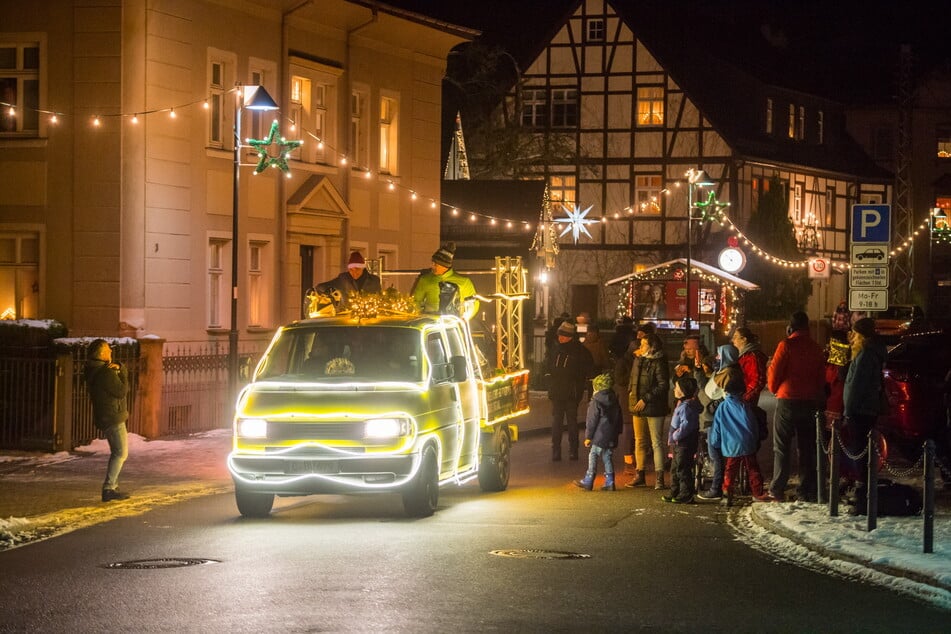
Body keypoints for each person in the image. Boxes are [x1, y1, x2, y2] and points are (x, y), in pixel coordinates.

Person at [766, 311, 826, 502]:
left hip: (788, 400)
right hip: (809, 402)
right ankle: (806, 489)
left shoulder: (786, 345)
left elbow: (774, 374)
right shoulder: (816, 348)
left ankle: (778, 487)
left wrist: (774, 389)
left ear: (790, 328)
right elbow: (821, 377)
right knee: (807, 447)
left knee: (782, 446)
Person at [842, 317, 887, 507]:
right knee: (861, 448)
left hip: (860, 410)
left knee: (859, 449)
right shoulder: (869, 353)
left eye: (855, 333)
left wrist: (848, 410)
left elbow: (857, 386)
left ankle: (863, 492)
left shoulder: (865, 355)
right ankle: (863, 488)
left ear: (861, 335)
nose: (852, 337)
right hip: (866, 408)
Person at [708, 368, 771, 505]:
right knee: (753, 469)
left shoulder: (722, 407)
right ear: (742, 391)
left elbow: (716, 427)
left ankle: (727, 491)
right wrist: (754, 440)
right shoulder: (745, 406)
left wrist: (715, 442)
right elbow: (752, 425)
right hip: (747, 443)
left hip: (731, 445)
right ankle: (757, 492)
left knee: (730, 470)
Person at [84, 339, 130, 502]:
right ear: (102, 353)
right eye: (108, 349)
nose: (110, 351)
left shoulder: (93, 369)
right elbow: (121, 391)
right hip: (113, 416)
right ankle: (109, 488)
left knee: (118, 452)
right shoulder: (105, 372)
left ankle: (113, 486)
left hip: (105, 415)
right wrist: (122, 371)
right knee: (120, 453)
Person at [625, 332, 670, 489]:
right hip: (637, 405)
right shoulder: (639, 360)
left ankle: (659, 478)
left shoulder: (659, 362)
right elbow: (633, 379)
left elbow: (663, 385)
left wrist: (646, 398)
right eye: (641, 344)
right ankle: (640, 474)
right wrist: (632, 394)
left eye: (644, 344)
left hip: (654, 406)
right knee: (639, 441)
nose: (641, 347)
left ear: (652, 347)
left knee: (656, 442)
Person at [546, 321, 595, 461]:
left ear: (569, 336)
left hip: (570, 392)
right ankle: (559, 450)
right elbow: (548, 366)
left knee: (568, 422)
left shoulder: (578, 351)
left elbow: (586, 370)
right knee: (560, 422)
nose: (559, 338)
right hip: (561, 391)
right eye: (559, 335)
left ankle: (569, 450)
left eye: (562, 335)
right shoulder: (559, 349)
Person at [696, 344, 740, 500]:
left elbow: (711, 392)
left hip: (720, 416)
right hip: (719, 415)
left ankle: (717, 487)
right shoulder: (725, 371)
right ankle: (722, 486)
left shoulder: (727, 373)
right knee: (719, 452)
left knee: (715, 452)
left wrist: (711, 406)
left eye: (719, 355)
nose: (717, 358)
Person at [575, 373, 623, 491]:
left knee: (593, 454)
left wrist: (588, 437)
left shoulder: (595, 401)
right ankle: (610, 481)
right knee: (607, 456)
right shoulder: (614, 399)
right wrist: (617, 432)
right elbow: (619, 418)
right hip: (611, 434)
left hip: (599, 435)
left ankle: (589, 479)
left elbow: (591, 421)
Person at [411, 242, 479, 320]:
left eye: (435, 264)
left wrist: (464, 318)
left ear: (443, 265)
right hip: (429, 322)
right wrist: (421, 316)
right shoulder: (425, 279)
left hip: (453, 322)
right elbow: (415, 301)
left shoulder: (464, 282)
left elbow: (473, 303)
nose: (432, 266)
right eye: (432, 263)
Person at [304, 251, 382, 317]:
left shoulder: (374, 281)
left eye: (357, 269)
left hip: (369, 317)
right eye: (351, 270)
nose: (354, 273)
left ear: (362, 268)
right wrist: (320, 290)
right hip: (346, 318)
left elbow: (380, 298)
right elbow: (324, 286)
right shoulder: (344, 279)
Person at [663, 376, 702, 503]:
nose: (674, 389)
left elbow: (686, 426)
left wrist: (675, 436)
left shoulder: (687, 407)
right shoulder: (682, 404)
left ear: (683, 391)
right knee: (675, 468)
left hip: (684, 442)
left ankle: (686, 494)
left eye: (677, 388)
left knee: (683, 468)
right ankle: (675, 491)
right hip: (679, 443)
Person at [732, 327, 768, 407]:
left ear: (744, 339)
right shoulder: (744, 355)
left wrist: (745, 398)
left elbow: (757, 381)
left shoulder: (752, 357)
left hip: (746, 401)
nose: (732, 340)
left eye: (735, 337)